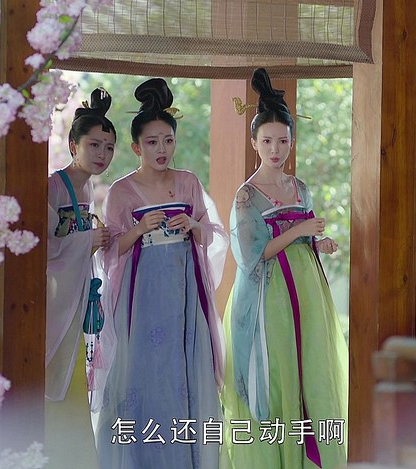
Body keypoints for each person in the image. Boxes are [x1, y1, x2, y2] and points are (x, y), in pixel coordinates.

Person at [93, 77, 227, 469]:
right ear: (137, 147)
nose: (162, 149)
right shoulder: (121, 191)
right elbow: (109, 251)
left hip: (184, 292)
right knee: (143, 376)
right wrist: (138, 229)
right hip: (142, 297)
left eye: (168, 140)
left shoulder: (188, 182)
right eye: (152, 142)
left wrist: (194, 226)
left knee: (183, 374)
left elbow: (213, 235)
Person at [220, 68, 348, 469]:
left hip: (307, 295)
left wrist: (319, 243)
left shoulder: (300, 187)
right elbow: (251, 255)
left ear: (292, 141)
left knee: (311, 372)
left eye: (282, 141)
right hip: (268, 298)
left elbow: (304, 240)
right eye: (267, 141)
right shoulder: (246, 196)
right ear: (254, 142)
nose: (275, 149)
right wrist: (299, 231)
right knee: (278, 377)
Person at [45, 87, 116, 468]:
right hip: (55, 303)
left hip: (75, 300)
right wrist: (88, 239)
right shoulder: (53, 187)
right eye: (94, 145)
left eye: (109, 147)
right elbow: (46, 250)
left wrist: (91, 239)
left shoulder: (86, 185)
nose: (102, 154)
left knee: (75, 382)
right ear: (74, 145)